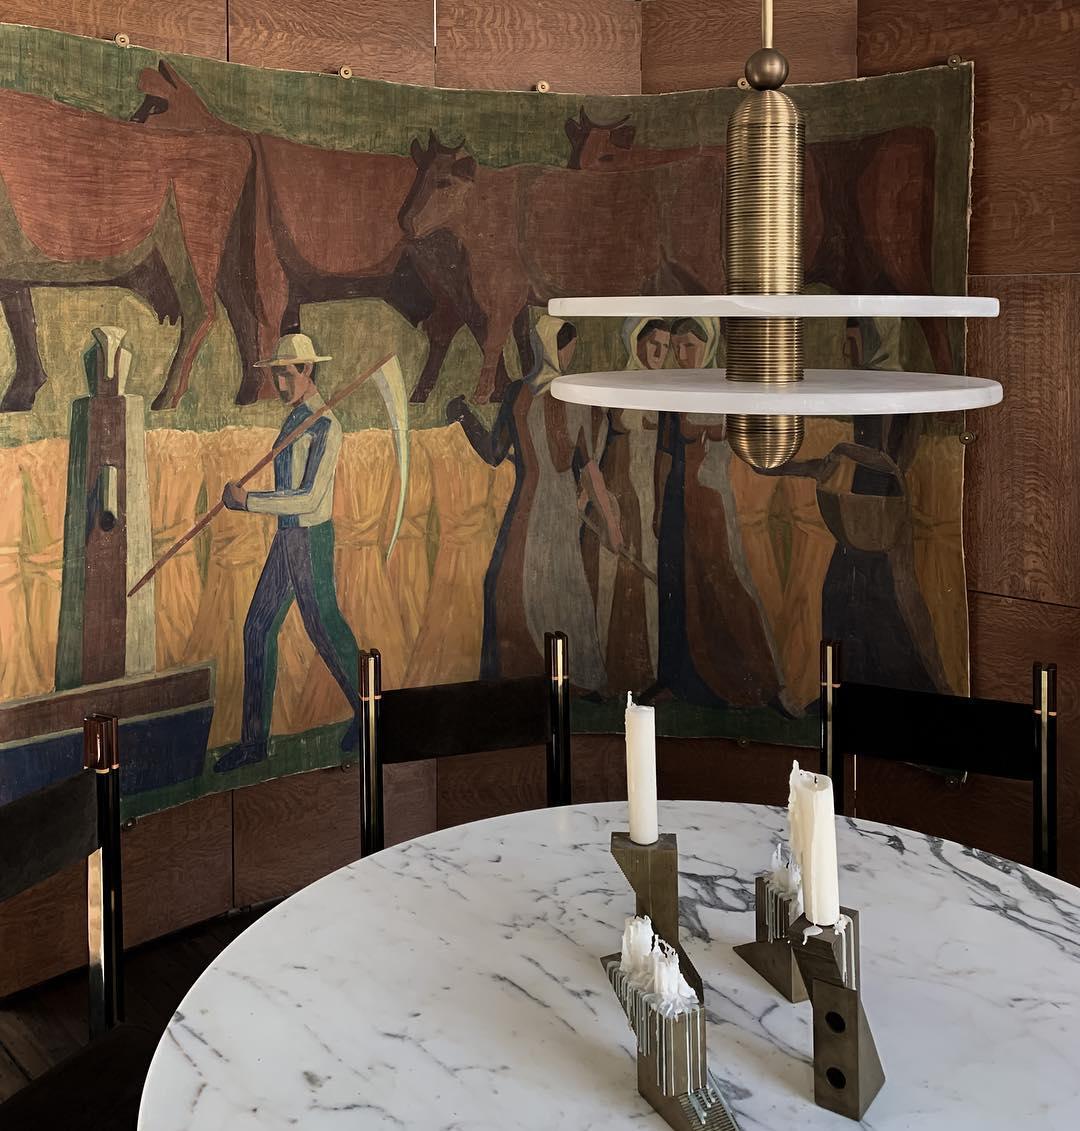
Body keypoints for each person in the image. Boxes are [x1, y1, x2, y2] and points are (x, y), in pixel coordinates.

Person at [213, 333, 360, 773]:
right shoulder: (294, 418)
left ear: (307, 370)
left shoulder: (326, 426)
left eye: (285, 375)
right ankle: (254, 744)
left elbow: (309, 499)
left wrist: (248, 502)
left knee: (325, 628)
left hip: (310, 539)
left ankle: (372, 713)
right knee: (257, 629)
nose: (279, 385)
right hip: (286, 539)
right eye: (275, 376)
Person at [449, 315, 615, 691]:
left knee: (557, 586)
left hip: (549, 506)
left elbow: (588, 466)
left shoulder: (556, 396)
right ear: (548, 347)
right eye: (565, 348)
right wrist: (464, 417)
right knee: (508, 584)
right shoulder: (523, 395)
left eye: (570, 349)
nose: (568, 357)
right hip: (532, 505)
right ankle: (525, 676)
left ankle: (574, 677)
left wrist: (610, 523)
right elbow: (496, 453)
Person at [650, 318, 786, 708]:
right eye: (677, 347)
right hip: (677, 499)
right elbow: (664, 454)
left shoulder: (729, 392)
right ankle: (676, 679)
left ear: (707, 346)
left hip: (713, 502)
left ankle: (755, 679)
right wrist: (658, 506)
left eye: (689, 346)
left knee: (724, 582)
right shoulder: (672, 394)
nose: (682, 355)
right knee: (675, 585)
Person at [591, 318, 670, 693]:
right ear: (636, 342)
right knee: (612, 582)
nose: (659, 353)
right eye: (653, 343)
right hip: (619, 493)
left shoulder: (668, 391)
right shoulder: (616, 388)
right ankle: (610, 673)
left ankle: (648, 673)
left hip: (650, 497)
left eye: (665, 347)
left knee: (647, 587)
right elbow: (594, 447)